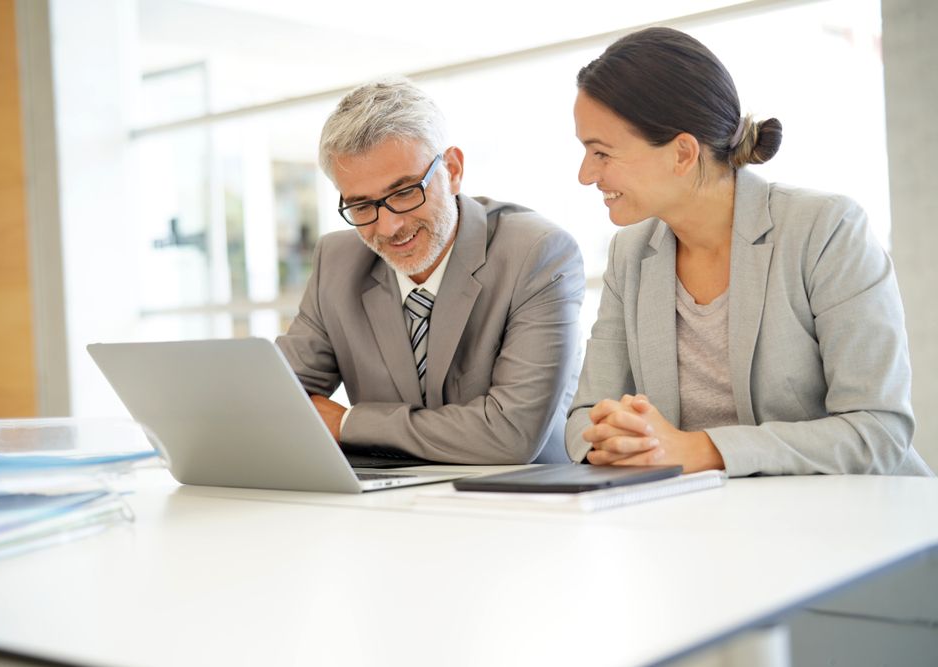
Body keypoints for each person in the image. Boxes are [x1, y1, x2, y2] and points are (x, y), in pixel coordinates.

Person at [567, 26, 931, 476]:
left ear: (682, 153)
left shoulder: (825, 229)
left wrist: (703, 449)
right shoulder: (630, 254)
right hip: (703, 513)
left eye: (601, 153)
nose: (585, 175)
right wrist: (618, 436)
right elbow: (585, 414)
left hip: (858, 510)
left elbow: (877, 431)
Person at [276, 77, 584, 464]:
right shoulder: (337, 262)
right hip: (389, 495)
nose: (388, 227)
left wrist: (348, 423)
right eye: (362, 206)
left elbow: (510, 434)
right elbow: (275, 401)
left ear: (452, 170)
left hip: (516, 494)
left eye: (405, 192)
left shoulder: (536, 253)